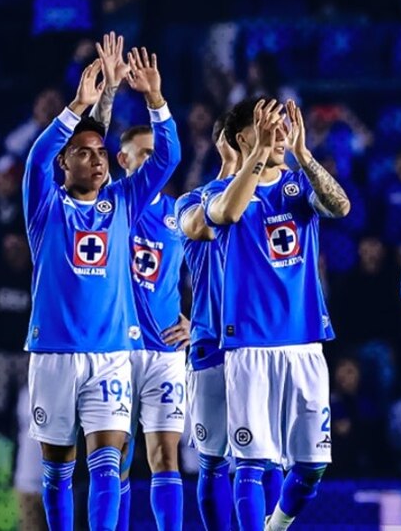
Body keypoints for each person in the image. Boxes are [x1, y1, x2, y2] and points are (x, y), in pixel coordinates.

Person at [23, 45, 180, 530]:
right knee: (58, 469)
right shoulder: (46, 208)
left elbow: (167, 158)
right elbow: (37, 157)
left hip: (110, 352)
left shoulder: (123, 204)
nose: (95, 160)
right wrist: (78, 106)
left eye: (100, 154)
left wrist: (154, 98)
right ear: (64, 164)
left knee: (109, 465)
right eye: (82, 153)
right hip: (53, 352)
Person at [204, 96, 351, 530]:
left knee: (312, 467)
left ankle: (276, 526)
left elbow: (341, 206)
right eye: (267, 123)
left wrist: (304, 156)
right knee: (250, 462)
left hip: (304, 340)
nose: (280, 129)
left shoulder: (299, 184)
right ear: (241, 137)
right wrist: (256, 156)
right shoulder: (220, 192)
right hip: (248, 343)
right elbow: (226, 214)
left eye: (283, 122)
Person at [87, 32, 192, 531]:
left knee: (166, 456)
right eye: (141, 154)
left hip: (167, 347)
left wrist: (202, 321)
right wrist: (110, 93)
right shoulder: (111, 205)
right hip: (117, 346)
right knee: (116, 457)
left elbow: (217, 274)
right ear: (121, 161)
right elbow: (90, 141)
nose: (151, 161)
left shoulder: (181, 214)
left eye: (154, 154)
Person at [176, 117, 249, 530]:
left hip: (259, 343)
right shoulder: (192, 201)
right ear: (225, 142)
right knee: (214, 458)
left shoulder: (275, 199)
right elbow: (211, 224)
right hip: (210, 343)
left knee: (264, 456)